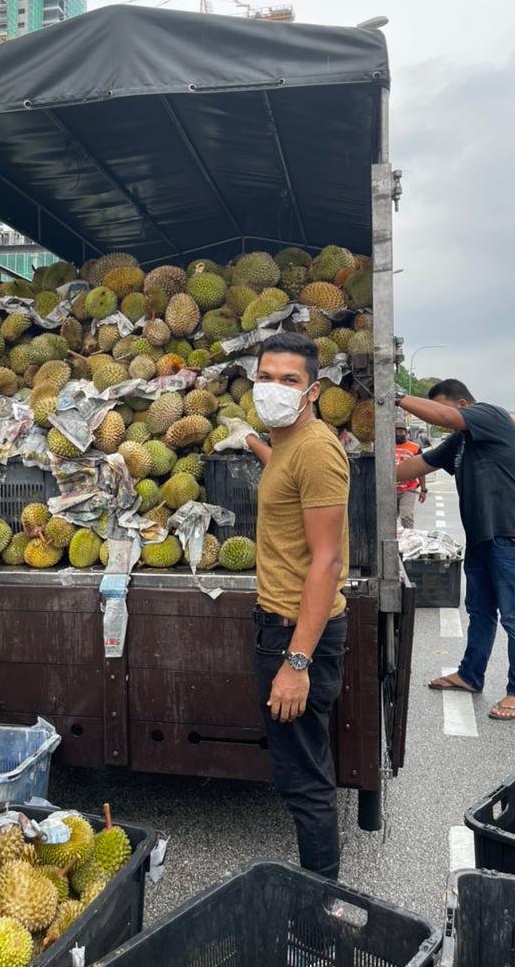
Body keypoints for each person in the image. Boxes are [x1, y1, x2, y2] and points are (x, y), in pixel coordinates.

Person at [216, 332, 349, 879]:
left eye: (289, 380)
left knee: (304, 779)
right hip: (281, 626)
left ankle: (319, 903)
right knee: (300, 765)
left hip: (298, 635)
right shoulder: (290, 444)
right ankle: (318, 896)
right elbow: (285, 474)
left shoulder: (317, 450)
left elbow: (327, 562)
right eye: (265, 378)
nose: (274, 388)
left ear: (312, 390)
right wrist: (250, 440)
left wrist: (297, 664)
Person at [395, 380, 515, 721]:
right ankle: (470, 675)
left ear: (462, 404)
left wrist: (398, 398)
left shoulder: (492, 416)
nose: (439, 420)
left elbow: (447, 417)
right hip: (481, 538)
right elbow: (415, 467)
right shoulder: (458, 443)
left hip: (513, 535)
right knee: (480, 612)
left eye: (443, 410)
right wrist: (355, 471)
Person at [395, 419, 427, 528]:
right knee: (387, 520)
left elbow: (421, 469)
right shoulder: (385, 446)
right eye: (396, 431)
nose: (398, 434)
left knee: (406, 516)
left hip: (408, 489)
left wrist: (423, 490)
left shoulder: (415, 447)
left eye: (401, 431)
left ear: (406, 433)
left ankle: (410, 539)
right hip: (389, 490)